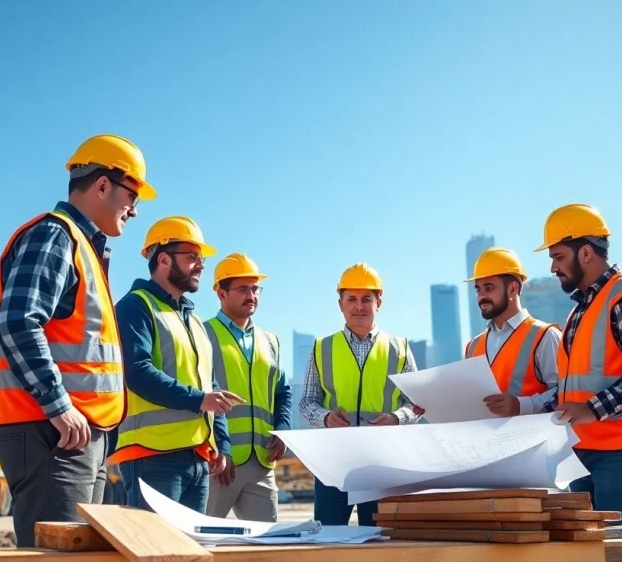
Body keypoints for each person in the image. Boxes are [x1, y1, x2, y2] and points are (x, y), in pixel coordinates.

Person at [0, 134, 156, 547]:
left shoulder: (83, 247)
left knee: (83, 554)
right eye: (131, 194)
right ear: (102, 185)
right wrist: (59, 405)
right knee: (58, 556)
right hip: (53, 434)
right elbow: (17, 322)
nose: (134, 210)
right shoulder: (55, 236)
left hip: (78, 435)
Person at [534, 203, 622, 525]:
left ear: (585, 252)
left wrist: (594, 408)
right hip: (583, 450)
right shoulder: (580, 311)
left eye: (558, 257)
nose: (553, 267)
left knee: (617, 551)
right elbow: (577, 388)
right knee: (588, 552)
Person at [110, 216, 242, 513]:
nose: (201, 264)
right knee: (155, 553)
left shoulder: (193, 319)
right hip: (153, 457)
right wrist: (200, 400)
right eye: (192, 256)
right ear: (165, 259)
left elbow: (211, 388)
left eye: (201, 257)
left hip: (197, 457)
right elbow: (137, 372)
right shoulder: (136, 305)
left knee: (190, 553)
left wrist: (221, 443)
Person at [299, 262, 423, 526]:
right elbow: (308, 401)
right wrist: (325, 417)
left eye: (366, 298)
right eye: (351, 299)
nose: (359, 306)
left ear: (379, 301)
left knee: (381, 542)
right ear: (340, 303)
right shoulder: (322, 347)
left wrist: (397, 418)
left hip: (383, 462)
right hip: (333, 461)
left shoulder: (399, 347)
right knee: (328, 543)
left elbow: (415, 404)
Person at [205, 253, 292, 522]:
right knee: (199, 540)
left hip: (262, 462)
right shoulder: (202, 333)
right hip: (218, 462)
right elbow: (201, 395)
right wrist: (221, 447)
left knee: (267, 545)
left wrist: (283, 429)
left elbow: (282, 392)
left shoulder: (271, 340)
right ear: (221, 292)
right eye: (243, 289)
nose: (251, 295)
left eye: (255, 289)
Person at [463, 247, 561, 417]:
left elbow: (566, 392)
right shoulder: (473, 346)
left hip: (534, 442)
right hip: (485, 441)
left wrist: (522, 405)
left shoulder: (545, 336)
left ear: (513, 289)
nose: (481, 296)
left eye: (489, 288)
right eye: (478, 289)